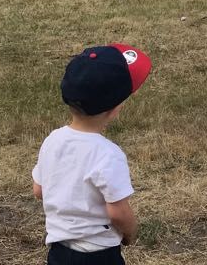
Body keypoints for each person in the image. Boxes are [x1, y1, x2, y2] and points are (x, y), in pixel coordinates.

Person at [33, 45, 152, 264]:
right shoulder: (109, 154)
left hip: (59, 251)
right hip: (99, 255)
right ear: (116, 109)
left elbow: (39, 190)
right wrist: (130, 233)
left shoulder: (52, 140)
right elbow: (117, 213)